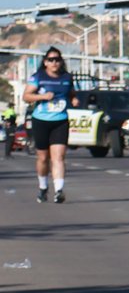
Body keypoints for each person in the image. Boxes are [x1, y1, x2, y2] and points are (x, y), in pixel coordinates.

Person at [23, 47, 77, 203]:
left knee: (58, 157)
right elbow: (26, 96)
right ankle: (43, 187)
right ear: (45, 62)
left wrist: (74, 100)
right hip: (41, 120)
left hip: (60, 120)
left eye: (57, 59)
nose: (54, 62)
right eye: (51, 60)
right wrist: (42, 96)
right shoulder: (38, 77)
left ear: (61, 61)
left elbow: (71, 94)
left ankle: (59, 191)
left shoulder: (67, 78)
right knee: (43, 158)